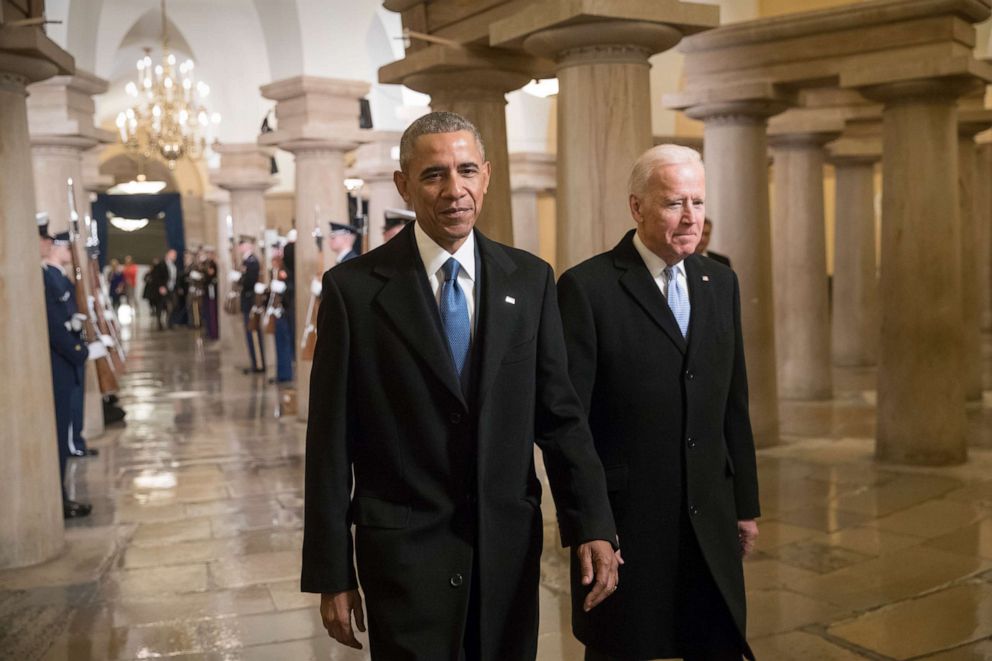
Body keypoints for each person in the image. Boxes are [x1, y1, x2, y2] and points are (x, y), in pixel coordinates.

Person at [302, 111, 619, 660]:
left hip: (505, 554)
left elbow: (560, 416)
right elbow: (329, 444)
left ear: (487, 176)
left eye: (467, 170)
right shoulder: (353, 292)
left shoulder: (531, 279)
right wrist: (332, 570)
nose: (455, 190)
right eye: (434, 175)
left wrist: (592, 521)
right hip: (403, 559)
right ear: (403, 184)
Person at [557, 145, 760, 661]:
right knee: (626, 646)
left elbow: (733, 401)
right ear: (637, 207)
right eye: (674, 203)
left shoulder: (720, 282)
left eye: (698, 201)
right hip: (628, 523)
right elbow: (568, 424)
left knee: (714, 640)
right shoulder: (588, 288)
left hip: (709, 515)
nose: (691, 216)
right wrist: (590, 526)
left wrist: (745, 506)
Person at [42, 229, 98, 519]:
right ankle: (58, 497)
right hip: (61, 360)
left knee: (67, 423)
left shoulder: (55, 276)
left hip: (66, 357)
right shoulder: (46, 276)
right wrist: (80, 351)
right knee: (61, 431)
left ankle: (61, 495)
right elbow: (54, 326)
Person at [239, 236, 265, 374]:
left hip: (251, 301)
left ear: (249, 245)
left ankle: (259, 364)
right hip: (246, 300)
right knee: (249, 333)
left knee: (253, 332)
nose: (240, 247)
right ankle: (255, 362)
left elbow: (249, 283)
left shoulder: (252, 261)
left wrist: (239, 280)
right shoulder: (246, 260)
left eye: (243, 244)